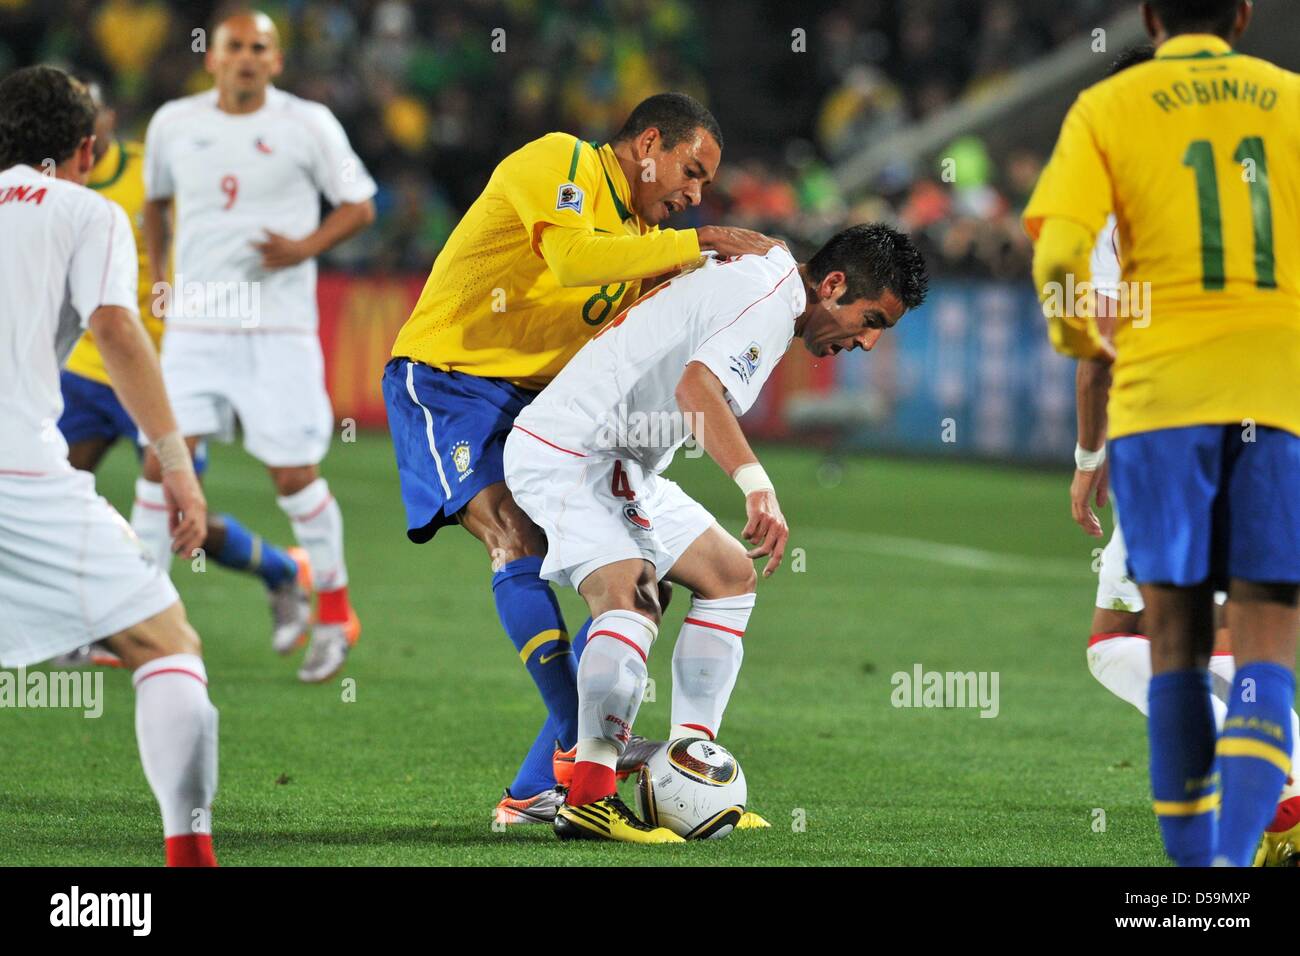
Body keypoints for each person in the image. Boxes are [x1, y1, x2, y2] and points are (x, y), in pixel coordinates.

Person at [382, 91, 782, 824]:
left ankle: (539, 788)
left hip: (543, 409)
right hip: (449, 380)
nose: (694, 195)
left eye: (704, 189)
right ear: (648, 143)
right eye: (690, 173)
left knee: (641, 588)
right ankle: (580, 751)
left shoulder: (638, 236)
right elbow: (570, 260)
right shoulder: (563, 160)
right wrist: (701, 240)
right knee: (516, 538)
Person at [504, 223, 928, 842]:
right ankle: (588, 797)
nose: (865, 342)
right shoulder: (771, 297)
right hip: (573, 450)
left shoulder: (771, 282)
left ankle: (690, 769)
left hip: (620, 460)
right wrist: (758, 485)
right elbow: (697, 389)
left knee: (729, 575)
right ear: (832, 284)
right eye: (870, 320)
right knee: (632, 594)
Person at [1027, 0, 1300, 865]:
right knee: (1262, 642)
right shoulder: (1288, 99)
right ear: (1246, 15)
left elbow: (1061, 269)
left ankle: (1209, 875)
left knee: (1158, 645)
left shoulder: (1110, 110)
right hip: (1277, 403)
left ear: (1147, 15)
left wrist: (1094, 372)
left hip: (1163, 408)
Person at [0, 65, 218, 866]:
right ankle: (189, 852)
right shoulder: (86, 212)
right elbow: (117, 332)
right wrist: (177, 464)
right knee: (166, 646)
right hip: (17, 474)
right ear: (87, 149)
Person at [138, 9, 377, 682]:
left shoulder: (307, 124)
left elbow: (360, 204)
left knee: (293, 476)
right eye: (234, 46)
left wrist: (304, 247)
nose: (246, 57)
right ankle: (136, 617)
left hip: (277, 332)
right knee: (162, 465)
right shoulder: (173, 124)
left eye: (259, 48)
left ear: (276, 61)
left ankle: (334, 612)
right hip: (194, 329)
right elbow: (154, 204)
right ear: (211, 57)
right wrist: (160, 278)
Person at [53, 76, 310, 669]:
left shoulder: (154, 173)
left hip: (163, 368)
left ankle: (279, 568)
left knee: (177, 514)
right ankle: (81, 624)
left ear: (110, 119)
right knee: (58, 494)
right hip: (90, 367)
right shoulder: (54, 184)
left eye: (89, 114)